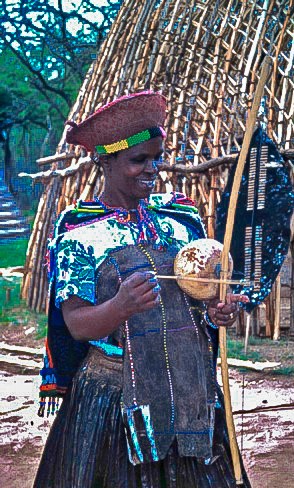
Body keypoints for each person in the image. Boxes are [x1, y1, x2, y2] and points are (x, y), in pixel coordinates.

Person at [34, 91, 251, 488]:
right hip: (114, 400)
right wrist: (120, 306)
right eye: (139, 160)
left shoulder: (181, 223)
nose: (153, 168)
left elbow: (198, 300)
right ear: (106, 161)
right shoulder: (81, 235)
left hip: (189, 389)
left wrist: (216, 312)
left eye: (157, 157)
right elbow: (77, 325)